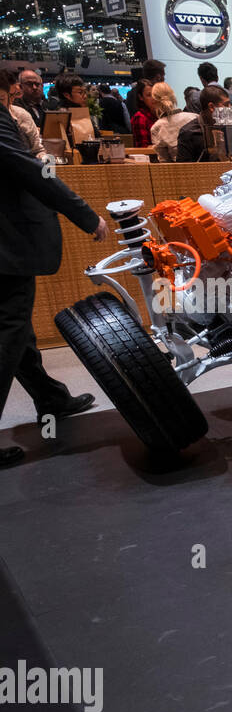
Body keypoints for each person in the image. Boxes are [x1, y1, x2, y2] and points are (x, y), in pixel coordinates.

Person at [1, 105, 108, 467]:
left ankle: (50, 398)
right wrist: (84, 212)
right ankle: (50, 398)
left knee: (15, 328)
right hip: (5, 242)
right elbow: (32, 171)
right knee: (9, 329)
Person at [176, 84, 229, 162]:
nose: (230, 109)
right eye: (226, 105)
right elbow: (183, 169)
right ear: (211, 107)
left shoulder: (228, 127)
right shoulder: (188, 133)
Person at [147, 84, 196, 162]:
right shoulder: (194, 117)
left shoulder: (157, 128)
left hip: (177, 171)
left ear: (154, 101)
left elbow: (165, 163)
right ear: (173, 96)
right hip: (205, 169)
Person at [1, 70, 45, 158]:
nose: (10, 101)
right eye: (2, 98)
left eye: (13, 95)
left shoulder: (21, 114)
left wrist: (44, 167)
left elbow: (39, 150)